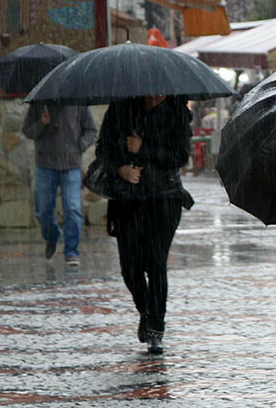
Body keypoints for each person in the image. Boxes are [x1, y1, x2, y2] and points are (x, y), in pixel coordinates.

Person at [96, 95, 193, 355]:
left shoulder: (176, 111)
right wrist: (120, 168)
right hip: (128, 200)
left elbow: (180, 156)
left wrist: (144, 148)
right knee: (130, 267)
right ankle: (146, 310)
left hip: (164, 198)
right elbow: (103, 150)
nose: (156, 95)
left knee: (156, 264)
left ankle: (156, 330)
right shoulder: (120, 108)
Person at [22, 103, 97, 266]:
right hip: (44, 165)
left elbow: (91, 130)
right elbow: (27, 130)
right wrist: (42, 123)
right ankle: (52, 236)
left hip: (71, 166)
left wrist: (80, 145)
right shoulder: (39, 103)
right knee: (43, 210)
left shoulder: (78, 102)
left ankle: (71, 251)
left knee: (73, 209)